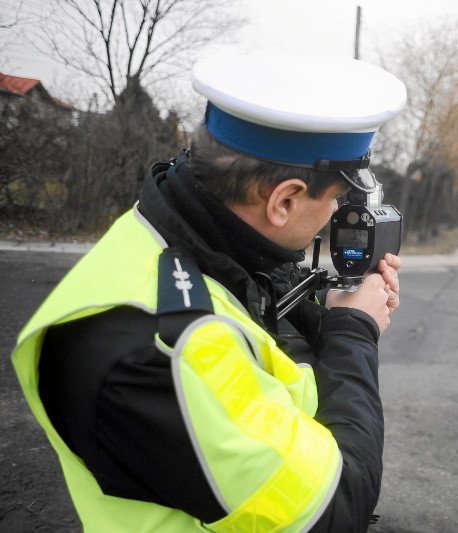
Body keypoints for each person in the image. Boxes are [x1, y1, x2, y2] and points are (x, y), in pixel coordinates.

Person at [12, 52, 407, 532]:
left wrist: (330, 311)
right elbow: (336, 507)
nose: (333, 216)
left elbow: (265, 352)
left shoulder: (183, 232)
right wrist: (353, 333)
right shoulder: (162, 351)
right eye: (335, 200)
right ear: (283, 201)